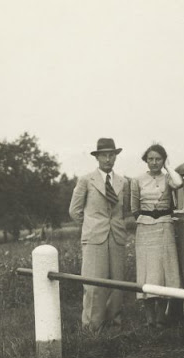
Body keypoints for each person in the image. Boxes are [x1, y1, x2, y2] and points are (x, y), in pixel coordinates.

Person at [69, 138, 130, 333]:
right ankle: (92, 328)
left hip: (117, 237)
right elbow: (74, 211)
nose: (108, 159)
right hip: (94, 238)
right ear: (97, 157)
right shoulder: (86, 180)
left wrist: (115, 226)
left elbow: (124, 210)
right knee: (94, 284)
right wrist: (92, 225)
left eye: (111, 155)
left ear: (116, 157)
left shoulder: (123, 182)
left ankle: (114, 326)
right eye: (104, 155)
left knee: (117, 284)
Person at [131, 144, 183, 328]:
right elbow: (134, 208)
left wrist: (168, 167)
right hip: (145, 229)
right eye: (151, 159)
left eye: (158, 159)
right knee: (147, 272)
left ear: (163, 160)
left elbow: (179, 183)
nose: (154, 162)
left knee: (163, 272)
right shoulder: (137, 180)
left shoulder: (168, 178)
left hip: (165, 226)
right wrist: (147, 219)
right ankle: (149, 318)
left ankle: (161, 317)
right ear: (146, 160)